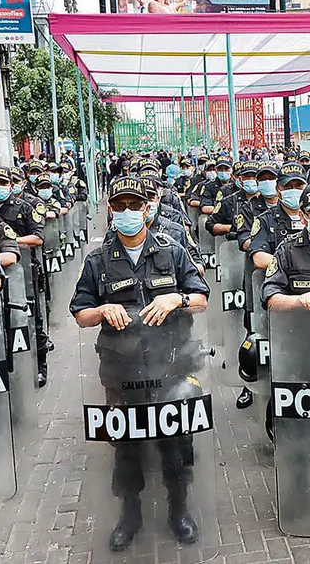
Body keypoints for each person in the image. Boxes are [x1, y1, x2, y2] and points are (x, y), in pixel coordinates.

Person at [70, 176, 209, 551]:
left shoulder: (172, 249)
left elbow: (201, 297)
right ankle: (129, 516)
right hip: (122, 370)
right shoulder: (98, 259)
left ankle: (179, 511)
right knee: (126, 447)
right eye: (120, 206)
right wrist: (101, 309)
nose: (128, 212)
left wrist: (175, 300)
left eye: (135, 205)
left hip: (171, 365)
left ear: (147, 208)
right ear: (111, 210)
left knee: (176, 443)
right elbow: (80, 313)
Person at [247, 165, 308, 270]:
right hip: (280, 279)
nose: (293, 190)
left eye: (299, 186)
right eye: (288, 186)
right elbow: (259, 258)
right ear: (278, 190)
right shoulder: (265, 220)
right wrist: (297, 266)